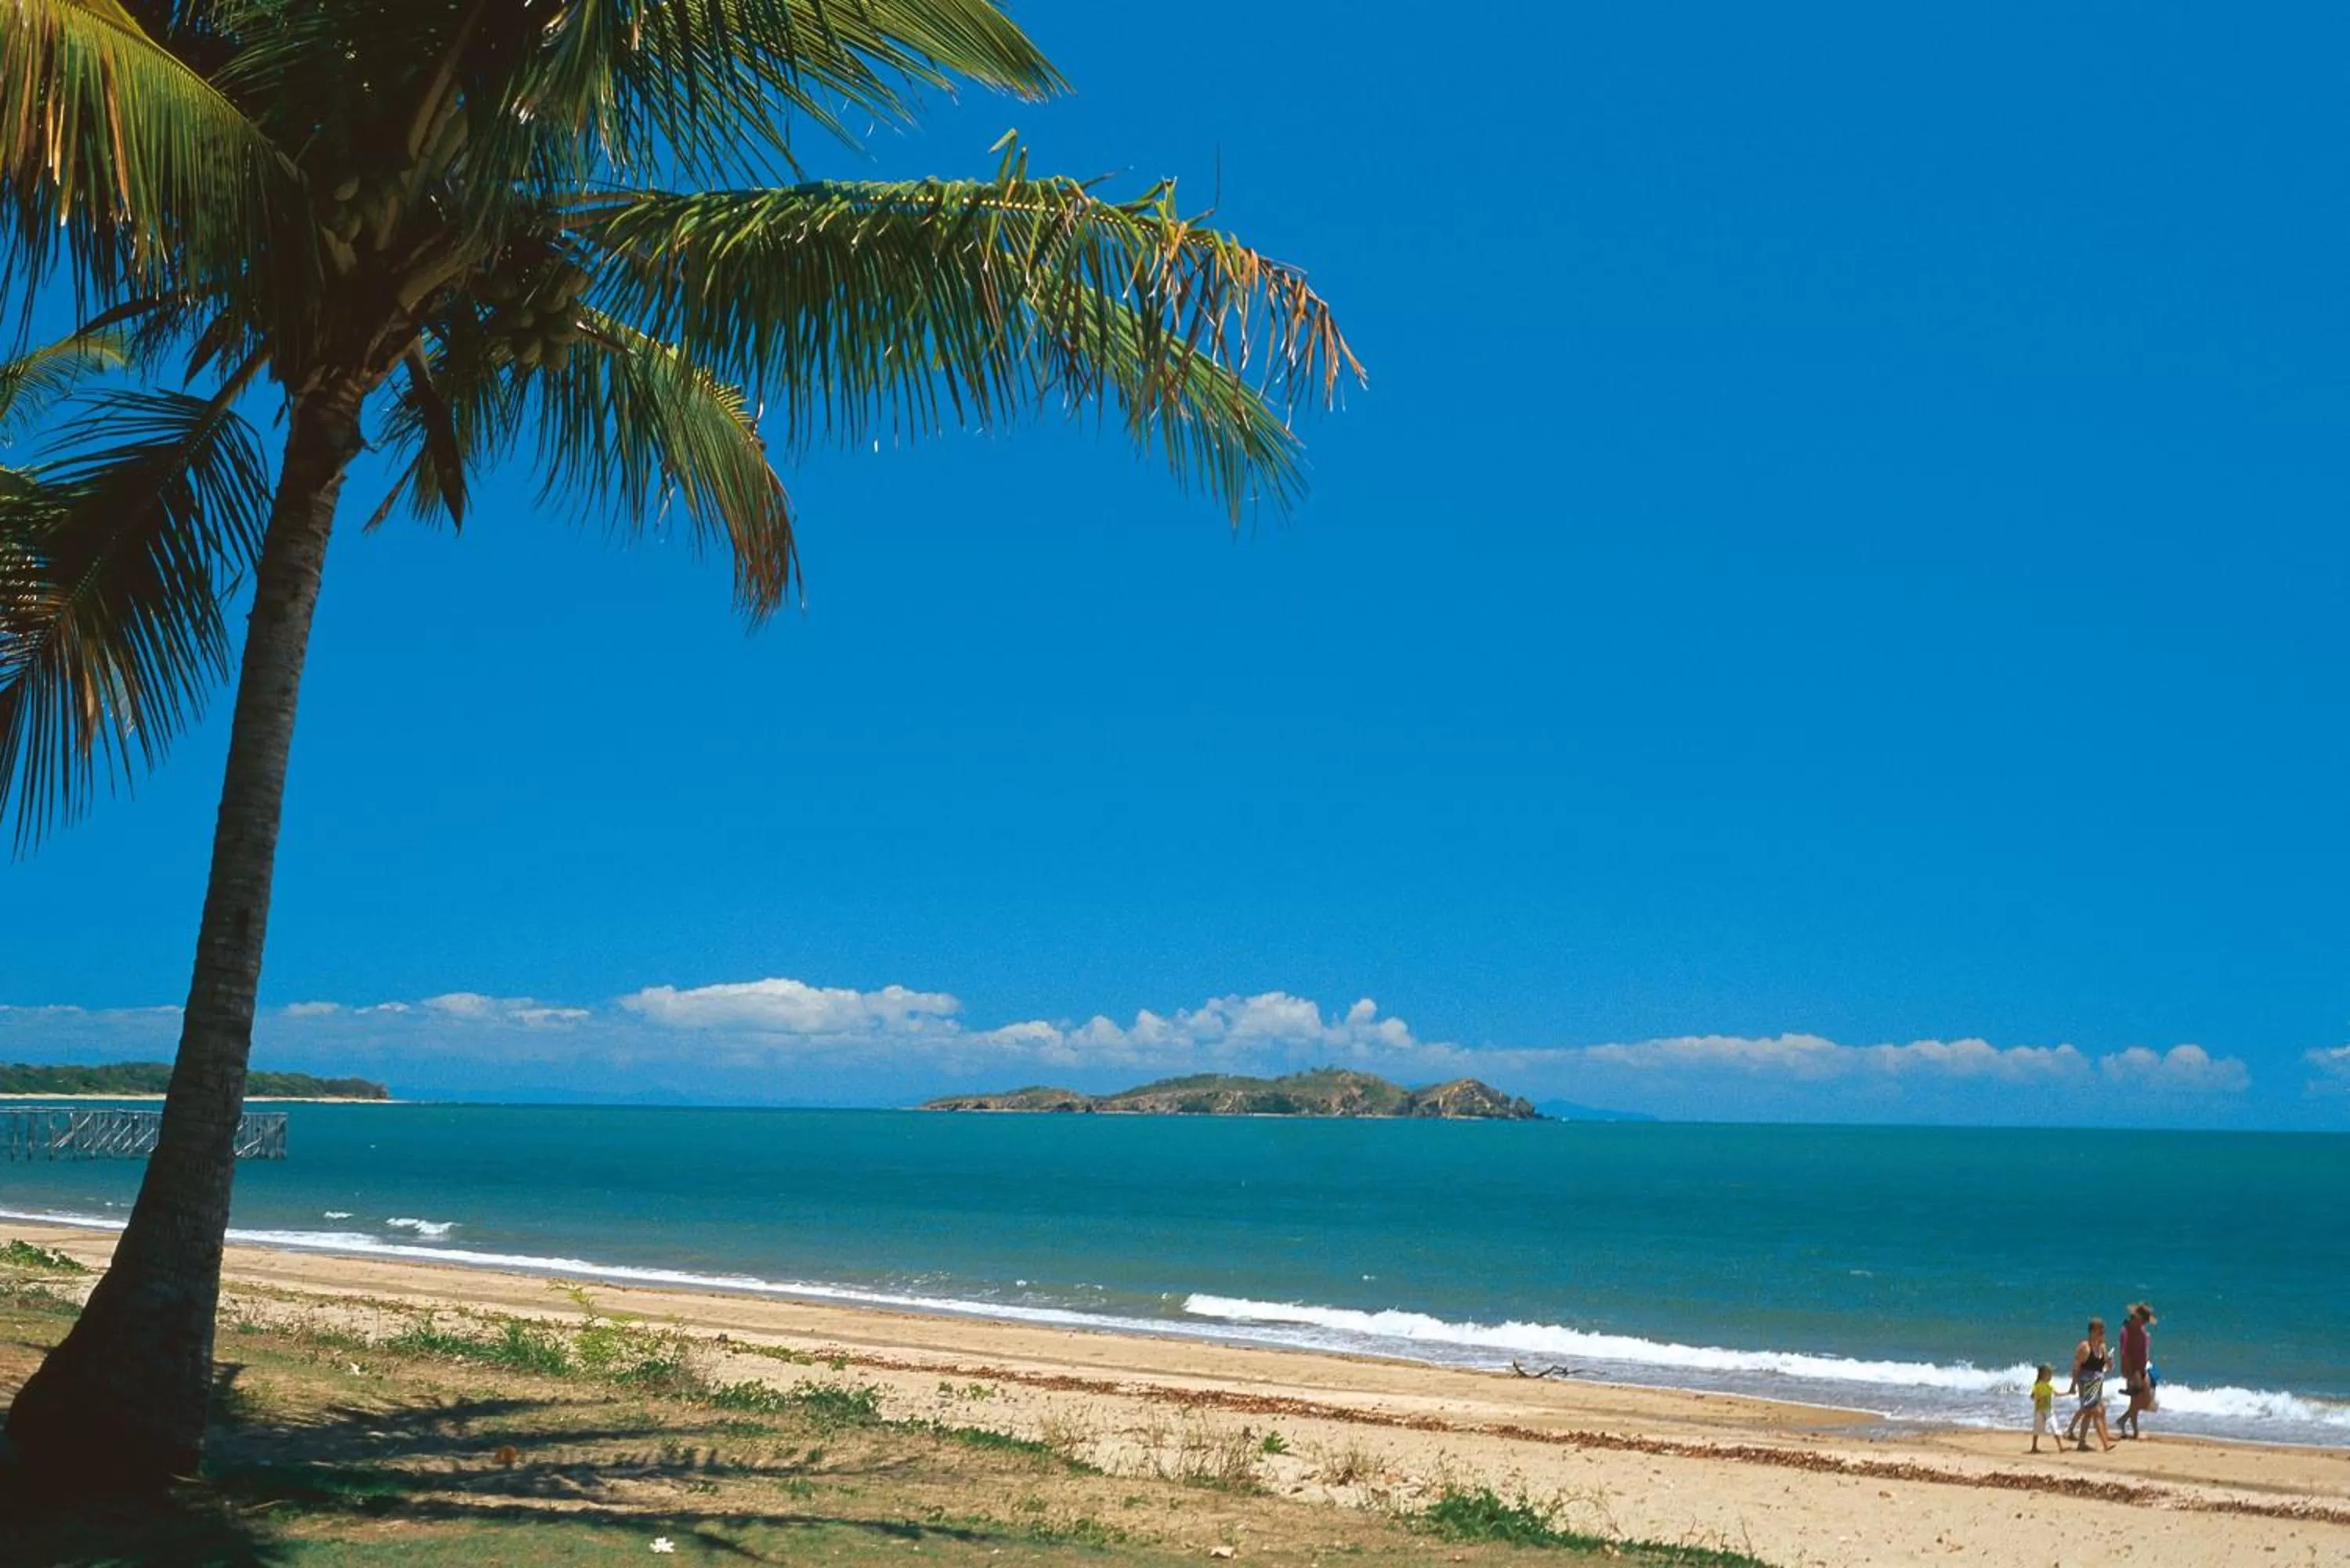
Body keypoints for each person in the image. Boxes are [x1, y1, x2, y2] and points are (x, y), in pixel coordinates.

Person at [2065, 1317, 2116, 1451]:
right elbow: (2076, 1368)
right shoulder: (2085, 1347)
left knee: (2088, 1413)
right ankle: (2105, 1444)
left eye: (2103, 1331)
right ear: (2093, 1331)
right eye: (2100, 1331)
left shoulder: (2102, 1347)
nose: (2103, 1333)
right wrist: (2073, 1386)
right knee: (2096, 1411)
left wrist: (2110, 1361)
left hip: (2098, 1382)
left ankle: (2081, 1443)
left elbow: (2109, 1368)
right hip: (2086, 1383)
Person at [2117, 1302, 2158, 1439]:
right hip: (2134, 1370)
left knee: (2145, 1401)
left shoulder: (2141, 1331)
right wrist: (2130, 1373)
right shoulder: (2126, 1330)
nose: (2146, 1322)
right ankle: (2134, 1431)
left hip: (2142, 1367)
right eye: (2144, 1319)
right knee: (2137, 1401)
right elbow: (2124, 1353)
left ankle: (2124, 1422)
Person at [2030, 1363, 2060, 1454]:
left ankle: (2061, 1446)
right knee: (2037, 1429)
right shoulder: (2037, 1386)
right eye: (2050, 1373)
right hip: (2039, 1410)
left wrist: (2069, 1393)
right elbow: (2032, 1396)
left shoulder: (2050, 1386)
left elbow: (2056, 1394)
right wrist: (2038, 1397)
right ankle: (2034, 1447)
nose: (2051, 1376)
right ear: (2043, 1375)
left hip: (2049, 1410)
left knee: (2054, 1427)